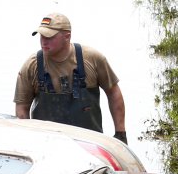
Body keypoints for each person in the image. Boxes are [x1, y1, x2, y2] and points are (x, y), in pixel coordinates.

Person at [13, 13, 127, 141]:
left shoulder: (93, 59)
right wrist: (26, 139)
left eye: (49, 37)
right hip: (46, 143)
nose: (43, 41)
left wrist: (120, 132)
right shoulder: (31, 65)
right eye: (41, 36)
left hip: (90, 143)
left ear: (67, 36)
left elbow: (113, 93)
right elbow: (22, 109)